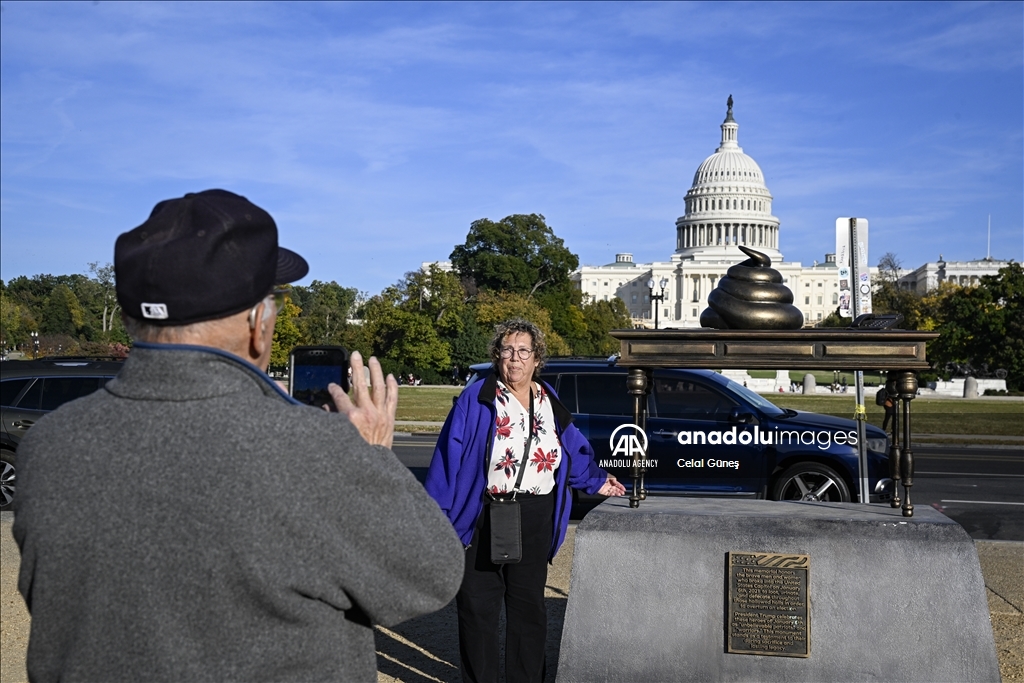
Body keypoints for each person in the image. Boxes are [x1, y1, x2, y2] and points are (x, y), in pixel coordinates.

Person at [12, 189, 464, 682]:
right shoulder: (313, 450)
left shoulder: (50, 443)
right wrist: (372, 455)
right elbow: (431, 577)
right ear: (257, 324)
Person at [425, 318, 625, 682]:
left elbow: (572, 447)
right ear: (496, 356)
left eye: (522, 351)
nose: (513, 359)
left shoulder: (549, 399)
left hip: (535, 514)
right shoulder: (478, 399)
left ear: (536, 359)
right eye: (506, 350)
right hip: (481, 515)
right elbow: (446, 459)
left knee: (527, 611)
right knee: (476, 608)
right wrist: (437, 517)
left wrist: (598, 481)